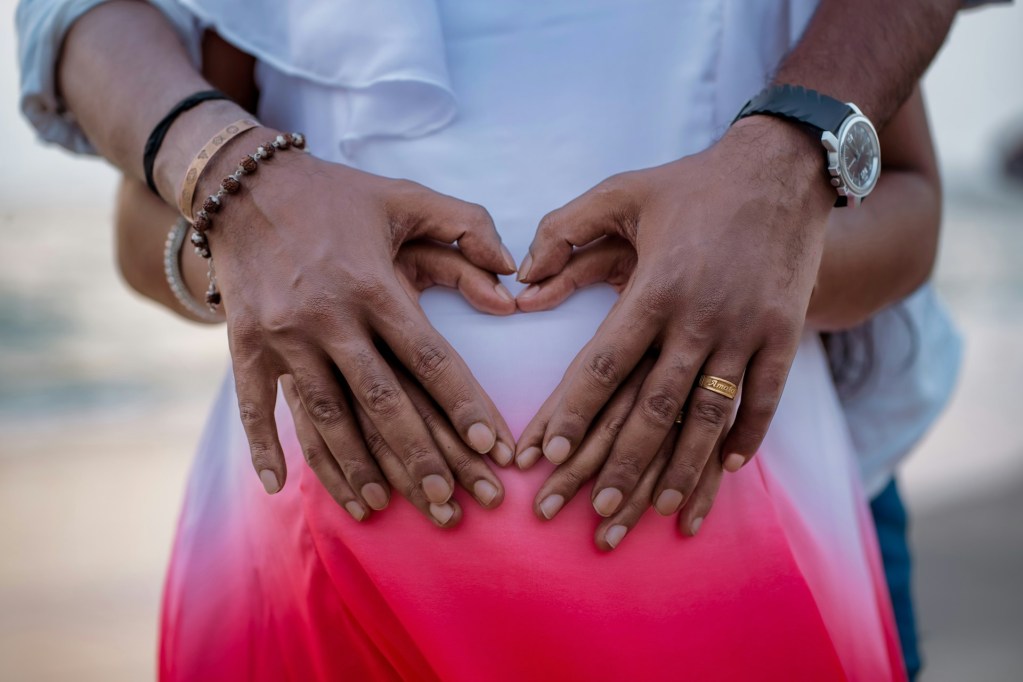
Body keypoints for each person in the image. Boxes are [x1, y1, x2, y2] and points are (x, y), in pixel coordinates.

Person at [15, 0, 972, 679]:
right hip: (323, 586)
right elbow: (143, 236)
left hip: (741, 574)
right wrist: (253, 256)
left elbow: (909, 205)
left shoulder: (844, 38)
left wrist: (774, 254)